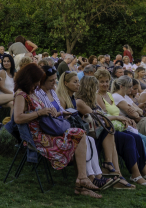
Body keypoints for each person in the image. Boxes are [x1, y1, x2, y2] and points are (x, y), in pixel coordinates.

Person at [12, 64, 101, 198]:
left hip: (46, 131)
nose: (38, 83)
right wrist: (39, 113)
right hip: (38, 138)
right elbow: (18, 118)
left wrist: (52, 112)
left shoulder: (30, 93)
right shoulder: (21, 94)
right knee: (79, 135)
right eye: (37, 80)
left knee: (80, 134)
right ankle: (82, 183)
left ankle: (82, 180)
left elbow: (39, 113)